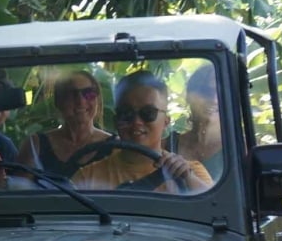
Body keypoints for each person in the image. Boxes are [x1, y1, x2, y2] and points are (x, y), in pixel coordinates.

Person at [72, 70, 212, 194]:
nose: (137, 122)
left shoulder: (190, 172)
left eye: (148, 113)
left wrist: (188, 177)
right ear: (116, 120)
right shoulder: (88, 177)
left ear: (166, 121)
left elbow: (214, 211)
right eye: (126, 114)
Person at [15, 70, 112, 178]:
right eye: (72, 94)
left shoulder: (113, 147)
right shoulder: (36, 145)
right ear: (58, 101)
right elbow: (21, 189)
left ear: (97, 100)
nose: (81, 101)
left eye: (88, 93)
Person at [171, 64, 225, 181]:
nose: (214, 100)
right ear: (189, 97)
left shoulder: (242, 149)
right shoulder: (167, 145)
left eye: (221, 93)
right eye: (206, 92)